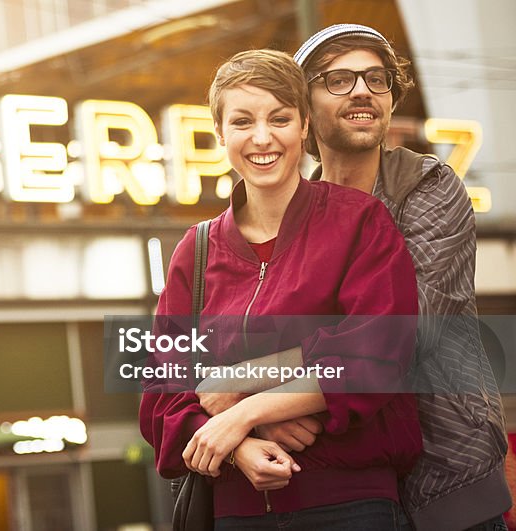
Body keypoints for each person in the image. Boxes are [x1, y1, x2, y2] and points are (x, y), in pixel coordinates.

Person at [139, 48, 421, 529]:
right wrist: (237, 443)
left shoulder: (359, 221)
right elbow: (162, 391)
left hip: (352, 506)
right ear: (220, 134)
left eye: (280, 118)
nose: (262, 137)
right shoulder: (196, 250)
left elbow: (376, 353)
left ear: (305, 126)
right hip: (237, 510)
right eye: (243, 121)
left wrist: (240, 400)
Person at [292, 24, 511, 531]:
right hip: (348, 489)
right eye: (339, 80)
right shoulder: (292, 217)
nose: (363, 90)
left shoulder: (430, 185)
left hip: (450, 483)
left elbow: (401, 335)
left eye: (376, 78)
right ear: (303, 107)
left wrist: (257, 387)